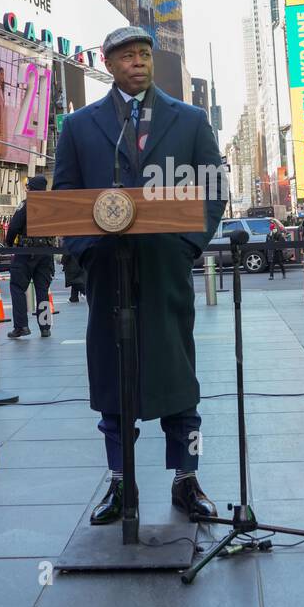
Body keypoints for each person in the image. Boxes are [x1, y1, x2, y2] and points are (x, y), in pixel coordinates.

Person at [52, 26, 225, 524]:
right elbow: (66, 197)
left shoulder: (190, 120)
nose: (138, 62)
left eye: (144, 54)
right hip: (109, 275)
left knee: (178, 378)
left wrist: (185, 246)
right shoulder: (79, 126)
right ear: (108, 64)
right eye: (127, 56)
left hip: (166, 271)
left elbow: (213, 188)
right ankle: (120, 483)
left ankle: (185, 479)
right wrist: (87, 254)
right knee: (112, 379)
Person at [5, 174, 55, 339]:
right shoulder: (51, 206)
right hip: (46, 253)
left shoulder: (26, 205)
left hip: (25, 252)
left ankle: (21, 326)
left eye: (28, 187)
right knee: (42, 290)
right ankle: (45, 327)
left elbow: (14, 227)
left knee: (17, 288)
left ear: (31, 189)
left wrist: (8, 244)